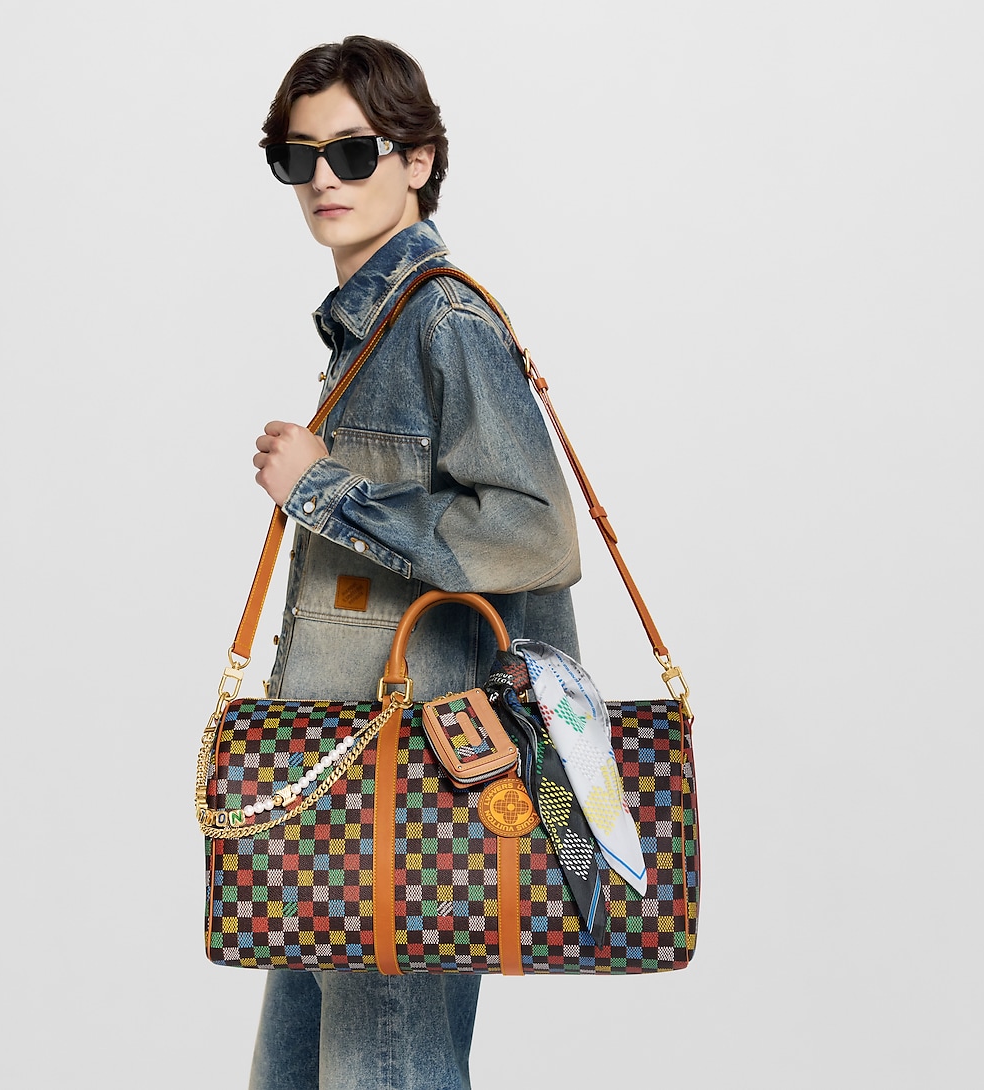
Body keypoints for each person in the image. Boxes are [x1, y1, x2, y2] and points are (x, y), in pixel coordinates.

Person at [248, 35, 582, 1090]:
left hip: (410, 789)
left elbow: (536, 532)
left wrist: (325, 489)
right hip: (335, 778)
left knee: (383, 1066)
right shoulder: (372, 329)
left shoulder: (442, 319)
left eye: (353, 152)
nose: (324, 180)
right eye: (299, 158)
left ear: (419, 160)